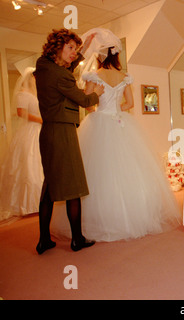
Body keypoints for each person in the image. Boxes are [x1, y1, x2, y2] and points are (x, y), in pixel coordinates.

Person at [51, 28, 180, 242]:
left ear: (100, 55)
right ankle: (133, 216)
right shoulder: (124, 77)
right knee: (129, 170)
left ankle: (101, 221)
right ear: (115, 55)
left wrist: (100, 110)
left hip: (99, 121)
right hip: (120, 122)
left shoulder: (95, 76)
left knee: (97, 171)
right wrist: (115, 108)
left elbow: (87, 101)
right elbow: (129, 103)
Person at [34, 28, 104, 254]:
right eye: (70, 48)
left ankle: (44, 240)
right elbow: (84, 100)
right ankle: (77, 239)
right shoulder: (60, 76)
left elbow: (66, 69)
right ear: (58, 47)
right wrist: (98, 94)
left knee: (50, 188)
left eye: (75, 48)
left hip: (48, 133)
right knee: (73, 186)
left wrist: (83, 49)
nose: (74, 53)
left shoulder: (43, 67)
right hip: (62, 133)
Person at [0, 67, 43, 221]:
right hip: (30, 131)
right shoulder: (23, 93)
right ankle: (27, 203)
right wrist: (40, 120)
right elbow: (20, 112)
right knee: (28, 164)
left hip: (39, 130)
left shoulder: (37, 94)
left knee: (40, 163)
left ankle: (42, 200)